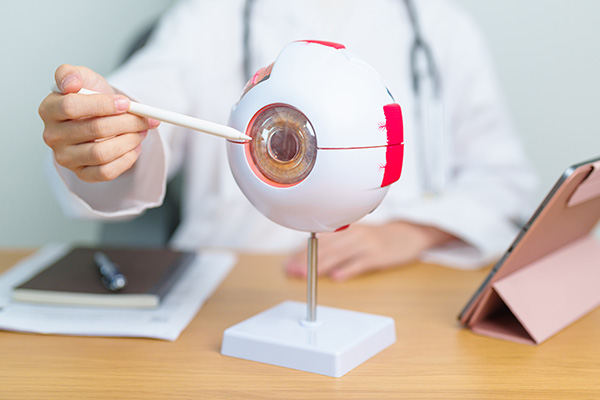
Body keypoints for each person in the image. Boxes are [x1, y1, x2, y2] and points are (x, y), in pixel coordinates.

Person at [39, 0, 537, 281]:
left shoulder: (441, 28)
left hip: (400, 288)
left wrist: (411, 233)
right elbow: (146, 100)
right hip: (233, 287)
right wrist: (104, 128)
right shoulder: (207, 20)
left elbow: (503, 182)